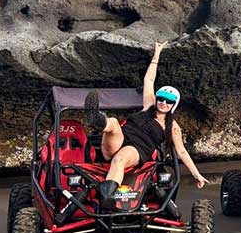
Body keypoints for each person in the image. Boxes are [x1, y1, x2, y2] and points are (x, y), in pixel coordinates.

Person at [84, 41, 210, 210]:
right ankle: (94, 118)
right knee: (113, 123)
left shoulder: (172, 127)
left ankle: (107, 198)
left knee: (120, 159)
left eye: (169, 101)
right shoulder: (149, 106)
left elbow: (181, 152)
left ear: (174, 105)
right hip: (120, 140)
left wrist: (197, 175)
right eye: (161, 99)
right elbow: (149, 79)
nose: (163, 103)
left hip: (137, 150)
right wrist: (156, 54)